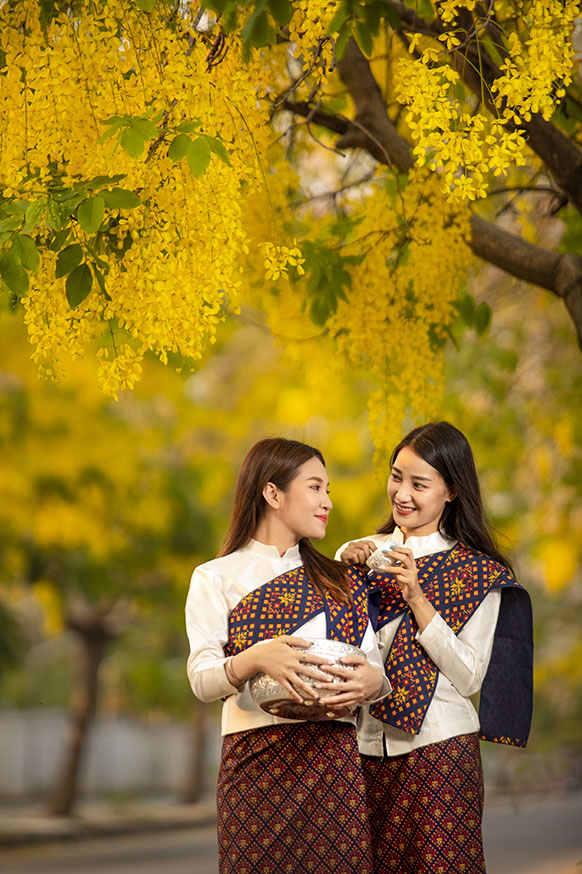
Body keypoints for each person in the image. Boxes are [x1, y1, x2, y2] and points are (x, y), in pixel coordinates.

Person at [185, 437, 390, 874]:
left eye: (328, 490)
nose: (328, 502)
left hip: (333, 764)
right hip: (254, 764)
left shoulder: (340, 579)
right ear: (272, 493)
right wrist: (256, 658)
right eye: (316, 487)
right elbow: (202, 680)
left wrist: (375, 683)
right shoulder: (214, 577)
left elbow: (375, 671)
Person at [335, 422, 533, 874]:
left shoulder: (478, 573)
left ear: (452, 492)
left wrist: (417, 599)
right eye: (396, 476)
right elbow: (337, 646)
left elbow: (469, 678)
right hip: (363, 751)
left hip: (439, 751)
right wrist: (344, 575)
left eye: (419, 484)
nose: (402, 494)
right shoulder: (360, 553)